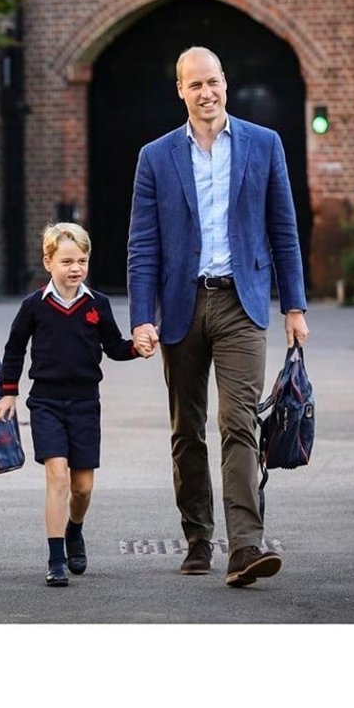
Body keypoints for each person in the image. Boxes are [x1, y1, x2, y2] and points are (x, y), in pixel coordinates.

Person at [127, 46, 310, 588]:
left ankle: (246, 547)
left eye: (213, 82)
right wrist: (142, 316)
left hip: (242, 303)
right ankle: (198, 537)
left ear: (225, 83)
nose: (206, 93)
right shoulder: (155, 157)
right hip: (181, 306)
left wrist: (294, 306)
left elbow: (285, 229)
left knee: (239, 424)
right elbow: (143, 245)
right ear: (179, 91)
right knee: (187, 430)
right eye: (194, 85)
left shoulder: (263, 143)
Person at [0, 222, 151, 587]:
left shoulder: (98, 305)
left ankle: (74, 528)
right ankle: (56, 557)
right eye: (66, 261)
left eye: (81, 260)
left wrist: (135, 349)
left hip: (84, 404)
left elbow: (114, 347)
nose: (75, 268)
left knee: (82, 488)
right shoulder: (34, 306)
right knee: (58, 477)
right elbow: (15, 349)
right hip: (45, 403)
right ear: (48, 262)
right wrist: (8, 391)